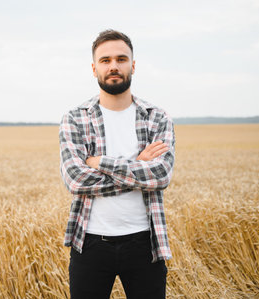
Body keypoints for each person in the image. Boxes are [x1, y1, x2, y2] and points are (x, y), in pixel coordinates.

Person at [59, 29, 175, 298]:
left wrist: (99, 162)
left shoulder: (157, 118)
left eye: (121, 59)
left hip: (145, 241)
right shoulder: (75, 119)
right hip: (89, 242)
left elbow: (160, 175)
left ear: (133, 65)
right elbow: (77, 180)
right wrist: (138, 164)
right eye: (105, 60)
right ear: (94, 67)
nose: (114, 66)